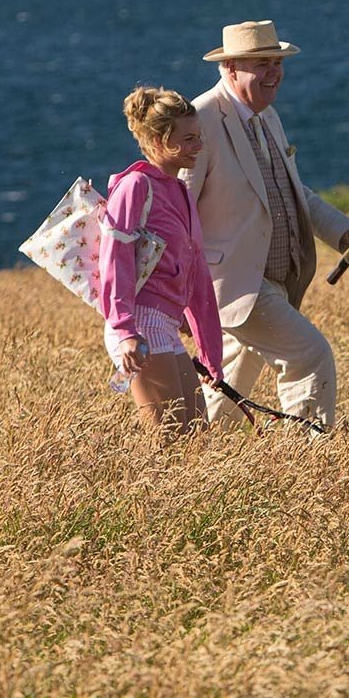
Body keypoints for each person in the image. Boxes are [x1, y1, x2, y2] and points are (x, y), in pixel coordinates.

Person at [180, 20, 349, 431]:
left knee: (230, 382)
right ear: (230, 68)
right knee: (309, 356)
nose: (274, 72)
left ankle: (197, 456)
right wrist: (180, 294)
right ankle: (308, 459)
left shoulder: (266, 116)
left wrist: (342, 231)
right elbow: (179, 208)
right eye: (261, 64)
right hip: (233, 285)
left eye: (277, 62)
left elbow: (293, 190)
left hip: (270, 281)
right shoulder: (201, 119)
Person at [101, 86, 225, 439]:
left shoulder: (182, 192)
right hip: (137, 324)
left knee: (197, 436)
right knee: (169, 440)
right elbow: (115, 262)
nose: (198, 146)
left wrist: (210, 354)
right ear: (157, 140)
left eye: (198, 137)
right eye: (187, 139)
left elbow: (199, 276)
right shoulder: (135, 186)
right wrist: (126, 332)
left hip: (166, 324)